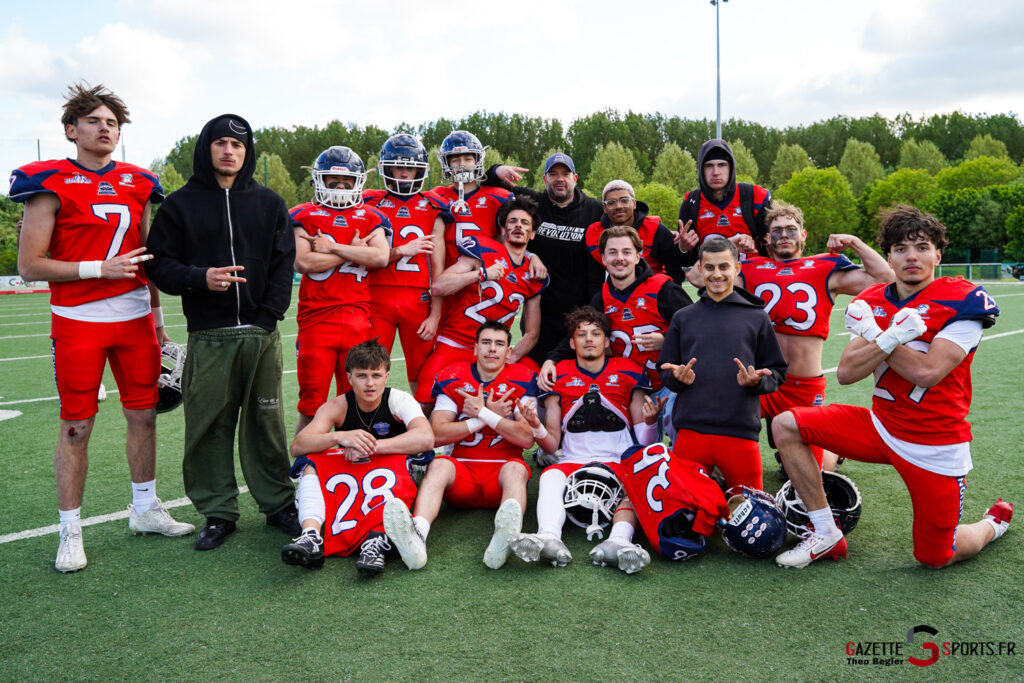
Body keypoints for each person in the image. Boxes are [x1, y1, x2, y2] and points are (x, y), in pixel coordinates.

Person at [11, 83, 193, 573]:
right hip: (79, 321)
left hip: (135, 320)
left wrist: (159, 323)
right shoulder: (48, 181)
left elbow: (148, 260)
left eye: (112, 122)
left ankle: (145, 508)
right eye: (93, 121)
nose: (104, 128)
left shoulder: (139, 182)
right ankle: (70, 529)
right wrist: (99, 268)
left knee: (144, 417)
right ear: (71, 130)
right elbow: (30, 265)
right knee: (76, 427)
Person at [773, 205, 1012, 569]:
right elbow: (847, 372)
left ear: (938, 254)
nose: (911, 256)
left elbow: (927, 372)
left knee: (935, 556)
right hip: (881, 427)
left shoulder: (961, 299)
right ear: (889, 257)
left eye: (921, 247)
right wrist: (886, 334)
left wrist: (877, 335)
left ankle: (991, 525)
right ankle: (825, 532)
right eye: (901, 248)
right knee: (785, 425)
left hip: (934, 445)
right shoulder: (873, 300)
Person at [146, 114, 299, 551]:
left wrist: (268, 317)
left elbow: (283, 263)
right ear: (206, 147)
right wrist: (200, 277)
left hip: (260, 334)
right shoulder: (180, 204)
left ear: (247, 152)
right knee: (208, 427)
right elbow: (158, 263)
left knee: (266, 423)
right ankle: (218, 513)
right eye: (221, 143)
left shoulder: (269, 202)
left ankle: (278, 505)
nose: (229, 151)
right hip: (209, 335)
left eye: (237, 144)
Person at [689, 201, 893, 470]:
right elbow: (696, 277)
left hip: (803, 385)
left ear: (803, 235)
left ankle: (830, 451)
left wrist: (854, 242)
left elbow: (886, 279)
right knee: (717, 433)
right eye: (776, 230)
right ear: (766, 238)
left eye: (791, 229)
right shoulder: (750, 268)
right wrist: (730, 244)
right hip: (760, 379)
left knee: (813, 470)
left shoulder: (824, 266)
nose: (784, 235)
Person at [509, 307, 660, 573]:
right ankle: (548, 536)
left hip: (619, 459)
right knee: (550, 475)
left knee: (639, 478)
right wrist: (535, 426)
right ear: (571, 343)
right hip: (573, 459)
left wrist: (650, 422)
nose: (589, 339)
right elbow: (552, 445)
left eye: (596, 333)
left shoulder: (629, 370)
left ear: (607, 341)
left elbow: (643, 442)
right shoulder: (559, 373)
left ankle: (619, 541)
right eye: (581, 334)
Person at [383, 321, 537, 570]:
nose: (492, 349)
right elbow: (437, 434)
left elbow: (527, 438)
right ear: (475, 348)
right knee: (439, 465)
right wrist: (480, 419)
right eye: (486, 342)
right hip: (462, 475)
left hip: (501, 475)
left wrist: (484, 413)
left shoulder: (523, 378)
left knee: (517, 469)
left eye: (499, 344)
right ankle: (417, 533)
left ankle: (505, 539)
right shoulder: (454, 376)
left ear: (508, 352)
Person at [281, 341, 434, 576]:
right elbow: (298, 446)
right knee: (309, 462)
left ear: (386, 376)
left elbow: (426, 438)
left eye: (376, 375)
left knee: (405, 462)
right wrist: (341, 436)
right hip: (352, 471)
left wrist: (371, 447)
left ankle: (377, 539)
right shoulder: (339, 405)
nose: (370, 383)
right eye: (362, 375)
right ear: (349, 378)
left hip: (390, 472)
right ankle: (310, 536)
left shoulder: (399, 400)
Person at [539, 226, 692, 441]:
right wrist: (551, 360)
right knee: (635, 452)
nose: (619, 258)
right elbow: (579, 334)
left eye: (626, 252)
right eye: (612, 252)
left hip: (668, 385)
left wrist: (666, 340)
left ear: (638, 256)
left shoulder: (663, 288)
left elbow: (696, 328)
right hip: (632, 390)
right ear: (603, 258)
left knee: (682, 438)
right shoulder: (602, 298)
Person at [658, 238, 787, 492]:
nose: (716, 274)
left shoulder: (756, 316)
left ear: (737, 268)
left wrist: (758, 381)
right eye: (709, 267)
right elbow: (665, 369)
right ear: (699, 269)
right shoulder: (683, 317)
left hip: (740, 431)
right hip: (691, 430)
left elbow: (777, 371)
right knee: (685, 507)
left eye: (724, 267)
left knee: (750, 506)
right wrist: (677, 379)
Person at [290, 145, 391, 432]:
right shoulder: (304, 214)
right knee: (311, 405)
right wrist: (354, 251)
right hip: (316, 321)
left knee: (358, 403)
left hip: (358, 321)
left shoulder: (371, 216)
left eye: (347, 180)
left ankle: (351, 458)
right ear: (318, 180)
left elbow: (380, 257)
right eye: (333, 179)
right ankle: (306, 460)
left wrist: (333, 247)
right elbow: (303, 262)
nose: (340, 186)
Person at [413, 195, 549, 406]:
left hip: (494, 350)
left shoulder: (534, 273)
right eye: (512, 221)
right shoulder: (484, 249)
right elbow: (439, 286)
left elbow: (532, 333)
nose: (518, 226)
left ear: (532, 234)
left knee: (544, 387)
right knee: (424, 400)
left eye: (524, 223)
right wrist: (481, 274)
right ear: (503, 230)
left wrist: (510, 357)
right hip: (456, 343)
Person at [484, 153, 606, 365]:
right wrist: (497, 169)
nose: (559, 179)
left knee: (574, 375)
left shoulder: (594, 209)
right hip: (539, 314)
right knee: (537, 372)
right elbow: (487, 185)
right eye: (553, 174)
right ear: (545, 179)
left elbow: (624, 222)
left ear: (575, 178)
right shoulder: (534, 202)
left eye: (565, 174)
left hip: (581, 313)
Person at [363, 134, 449, 395]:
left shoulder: (433, 205)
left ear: (418, 171)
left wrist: (435, 315)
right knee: (371, 369)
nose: (403, 173)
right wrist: (399, 251)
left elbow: (438, 267)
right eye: (398, 167)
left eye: (409, 168)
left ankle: (424, 423)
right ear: (388, 169)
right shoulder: (369, 202)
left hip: (418, 299)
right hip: (377, 296)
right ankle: (370, 420)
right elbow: (364, 257)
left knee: (421, 374)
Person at [676, 139, 771, 264]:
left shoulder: (755, 196)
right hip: (712, 274)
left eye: (722, 165)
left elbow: (775, 247)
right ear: (701, 170)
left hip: (752, 274)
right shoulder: (691, 203)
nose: (716, 172)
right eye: (709, 166)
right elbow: (684, 262)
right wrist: (683, 249)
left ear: (731, 167)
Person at [429, 130, 512, 271]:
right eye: (455, 160)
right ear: (447, 165)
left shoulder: (498, 197)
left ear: (477, 161)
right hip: (447, 277)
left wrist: (531, 255)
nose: (462, 165)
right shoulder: (436, 196)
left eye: (468, 159)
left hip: (487, 276)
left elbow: (520, 236)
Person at [584, 180, 686, 283]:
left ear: (634, 203)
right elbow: (594, 277)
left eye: (624, 200)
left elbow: (675, 272)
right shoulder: (594, 233)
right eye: (611, 203)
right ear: (604, 208)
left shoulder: (655, 229)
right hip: (614, 290)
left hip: (653, 289)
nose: (618, 206)